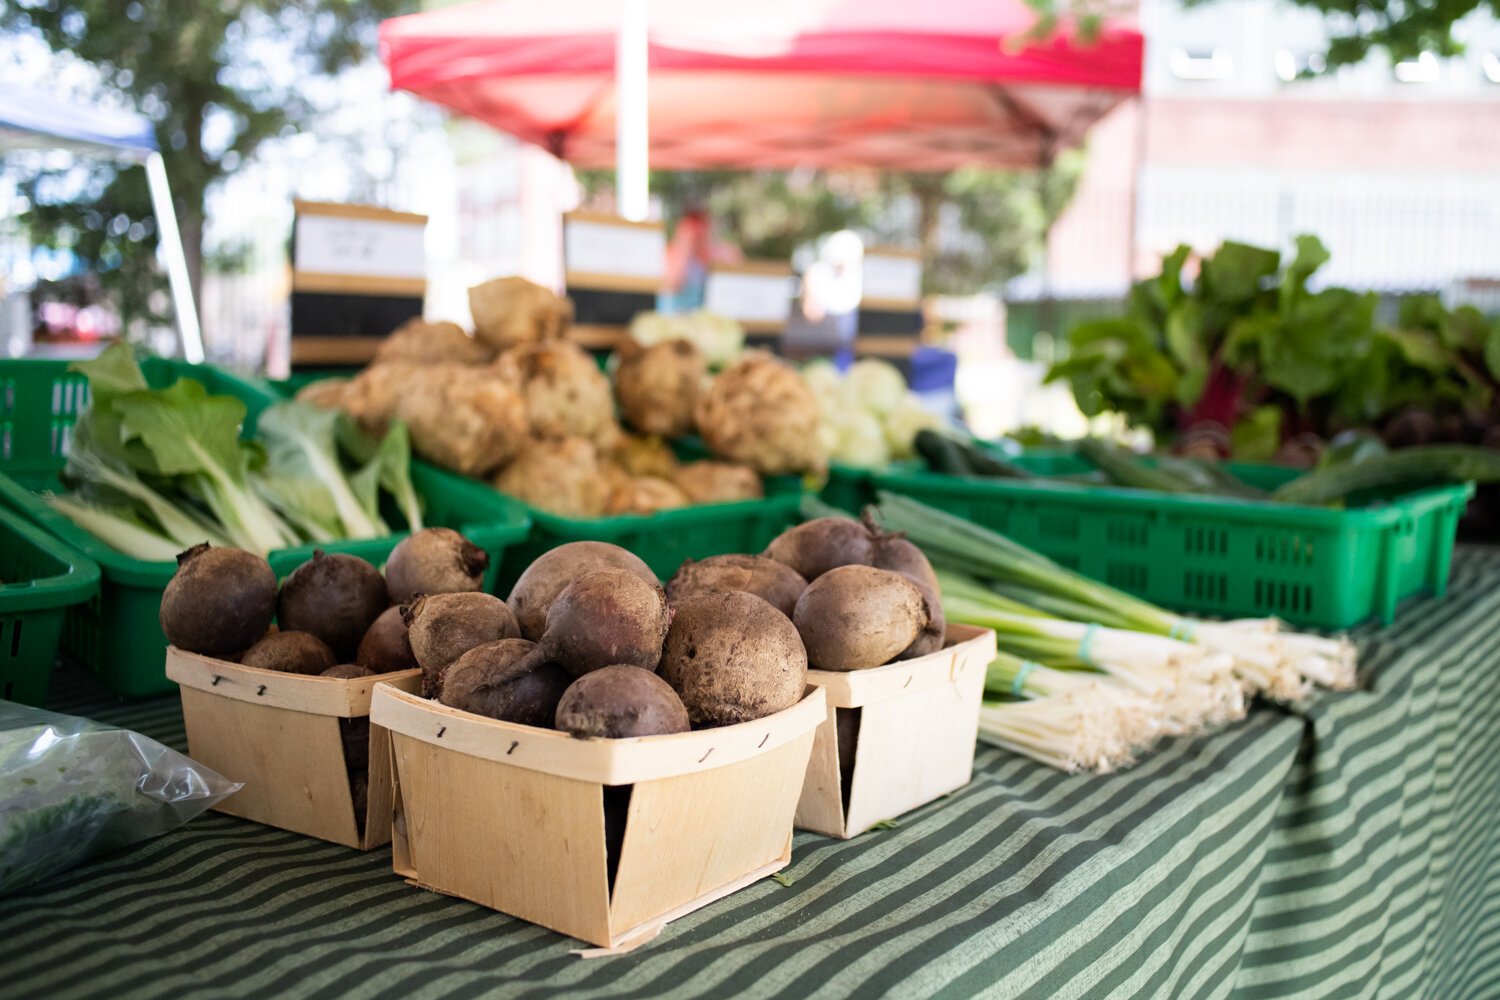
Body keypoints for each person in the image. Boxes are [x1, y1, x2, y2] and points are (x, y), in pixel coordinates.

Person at [658, 207, 739, 314]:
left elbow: (736, 286)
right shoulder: (669, 254)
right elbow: (672, 285)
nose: (698, 235)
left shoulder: (717, 256)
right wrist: (685, 247)